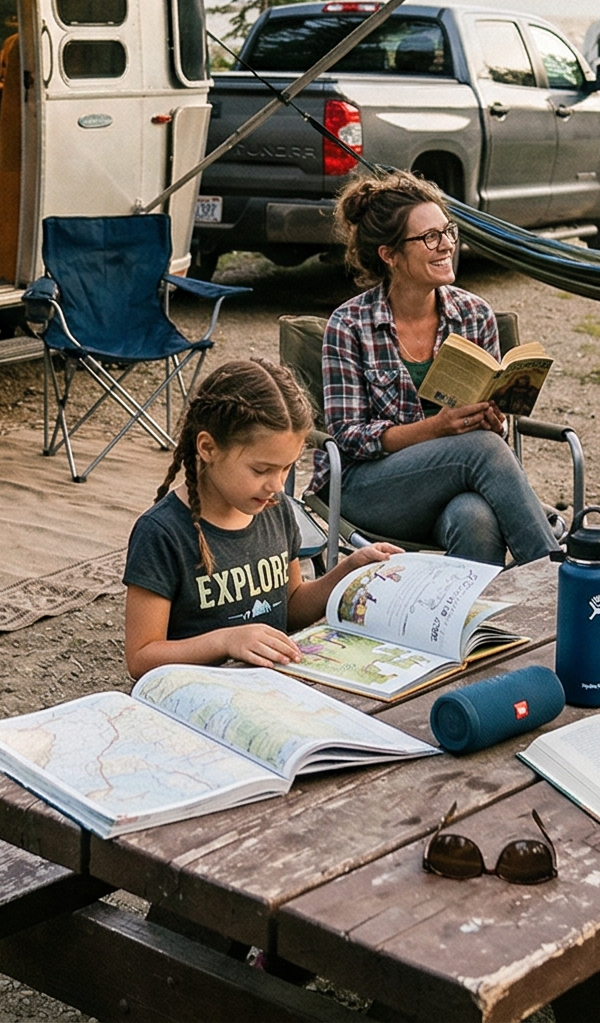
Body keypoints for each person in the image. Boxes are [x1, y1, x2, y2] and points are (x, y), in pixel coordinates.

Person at [318, 172, 560, 566]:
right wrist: (439, 428)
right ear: (389, 255)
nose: (446, 244)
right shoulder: (349, 325)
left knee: (475, 519)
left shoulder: (474, 314)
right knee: (479, 448)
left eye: (448, 230)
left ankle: (475, 627)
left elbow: (492, 431)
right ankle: (558, 582)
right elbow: (348, 439)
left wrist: (491, 417)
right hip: (370, 488)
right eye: (430, 237)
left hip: (455, 480)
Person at [123, 358, 400, 678]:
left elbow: (291, 605)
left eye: (286, 468)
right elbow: (141, 657)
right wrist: (226, 641)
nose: (277, 485)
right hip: (194, 694)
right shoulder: (161, 533)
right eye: (261, 469)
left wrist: (348, 572)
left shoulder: (276, 508)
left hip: (271, 685)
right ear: (208, 448)